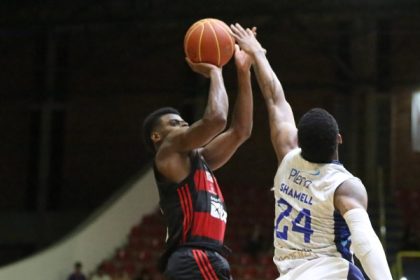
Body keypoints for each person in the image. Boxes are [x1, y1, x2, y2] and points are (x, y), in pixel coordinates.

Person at [230, 23, 393, 280]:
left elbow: (274, 98)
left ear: (300, 141)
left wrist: (257, 55)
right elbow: (365, 243)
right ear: (339, 139)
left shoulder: (287, 155)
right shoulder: (344, 186)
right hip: (332, 274)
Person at [142, 44, 253, 279]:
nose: (182, 125)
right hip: (195, 257)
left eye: (183, 121)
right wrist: (216, 71)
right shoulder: (168, 150)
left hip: (201, 258)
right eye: (173, 123)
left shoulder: (200, 159)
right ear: (157, 136)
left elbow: (240, 131)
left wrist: (243, 73)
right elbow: (217, 119)